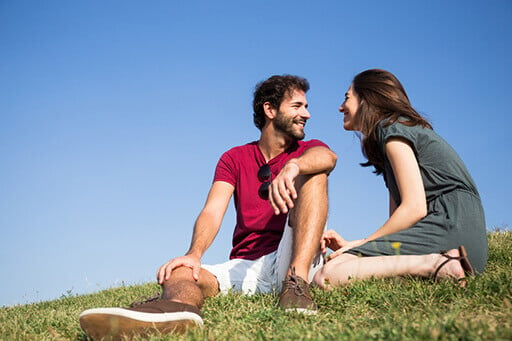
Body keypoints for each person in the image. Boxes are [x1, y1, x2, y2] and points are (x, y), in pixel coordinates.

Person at [79, 75, 337, 339]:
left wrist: (294, 166)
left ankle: (297, 286)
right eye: (297, 106)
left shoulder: (308, 149)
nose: (306, 114)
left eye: (305, 106)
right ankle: (176, 312)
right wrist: (194, 253)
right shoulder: (233, 158)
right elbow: (213, 211)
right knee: (180, 271)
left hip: (291, 257)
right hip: (245, 264)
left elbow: (328, 158)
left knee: (315, 172)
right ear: (270, 110)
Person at [313, 69, 487, 289]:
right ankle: (439, 266)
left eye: (347, 98)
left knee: (327, 276)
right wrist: (354, 246)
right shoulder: (389, 142)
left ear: (367, 99)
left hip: (451, 230)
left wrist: (365, 244)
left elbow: (414, 208)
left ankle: (436, 264)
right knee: (343, 266)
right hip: (464, 244)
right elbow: (400, 226)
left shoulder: (392, 129)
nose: (341, 107)